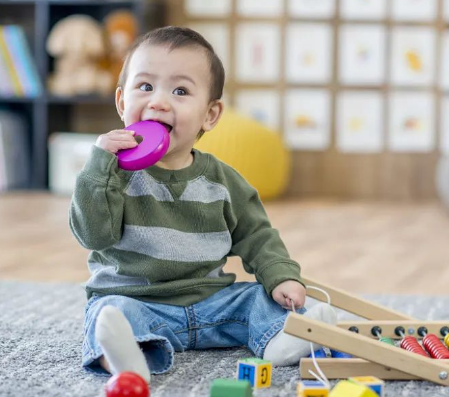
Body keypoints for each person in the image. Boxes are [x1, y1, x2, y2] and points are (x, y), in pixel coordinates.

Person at [70, 26, 336, 383]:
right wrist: (98, 167)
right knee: (111, 312)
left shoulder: (223, 181)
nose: (159, 101)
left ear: (210, 115)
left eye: (180, 91)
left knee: (258, 299)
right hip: (139, 300)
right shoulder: (110, 174)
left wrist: (281, 276)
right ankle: (127, 358)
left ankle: (284, 336)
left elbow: (257, 235)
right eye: (145, 86)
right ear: (122, 102)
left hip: (213, 304)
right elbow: (93, 235)